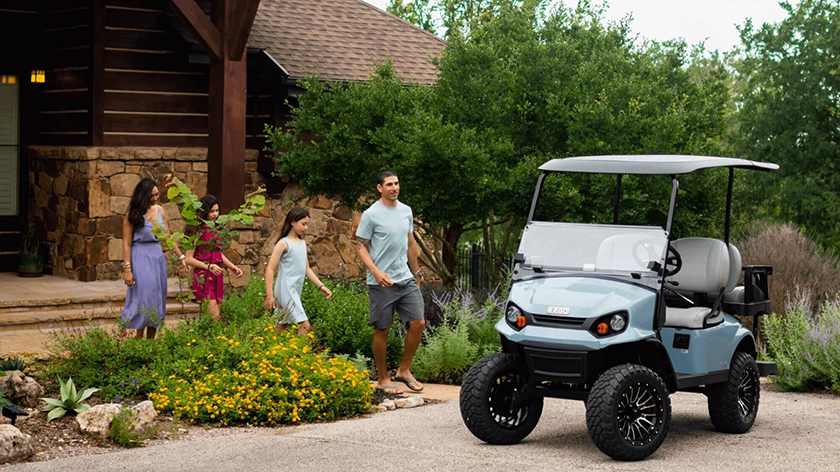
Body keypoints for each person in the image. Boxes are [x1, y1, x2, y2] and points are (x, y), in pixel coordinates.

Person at [355, 170, 425, 393]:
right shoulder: (371, 214)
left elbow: (410, 243)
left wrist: (417, 273)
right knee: (382, 330)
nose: (394, 188)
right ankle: (383, 378)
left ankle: (404, 371)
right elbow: (360, 246)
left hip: (405, 278)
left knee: (419, 322)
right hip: (381, 282)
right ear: (379, 188)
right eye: (389, 184)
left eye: (396, 183)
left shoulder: (406, 211)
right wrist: (375, 271)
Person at [121, 178, 187, 339]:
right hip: (140, 257)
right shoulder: (132, 214)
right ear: (143, 195)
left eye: (157, 194)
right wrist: (127, 270)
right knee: (145, 296)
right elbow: (126, 243)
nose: (156, 198)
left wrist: (181, 256)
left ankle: (151, 339)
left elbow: (168, 236)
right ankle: (138, 336)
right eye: (152, 195)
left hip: (157, 257)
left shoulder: (160, 210)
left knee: (158, 296)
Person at [264, 207, 332, 335]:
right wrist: (269, 295)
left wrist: (320, 285)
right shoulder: (283, 244)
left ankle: (267, 350)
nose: (306, 228)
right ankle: (298, 353)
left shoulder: (302, 243)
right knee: (305, 325)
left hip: (295, 290)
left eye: (307, 224)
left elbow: (306, 269)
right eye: (303, 224)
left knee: (282, 325)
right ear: (292, 222)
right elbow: (270, 268)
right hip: (285, 290)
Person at [184, 195, 243, 320]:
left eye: (217, 210)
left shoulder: (215, 229)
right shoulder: (196, 231)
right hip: (203, 275)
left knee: (214, 319)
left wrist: (232, 267)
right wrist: (208, 267)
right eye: (212, 211)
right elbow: (189, 258)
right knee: (214, 316)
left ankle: (208, 337)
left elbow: (217, 253)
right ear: (204, 211)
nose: (215, 214)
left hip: (217, 273)